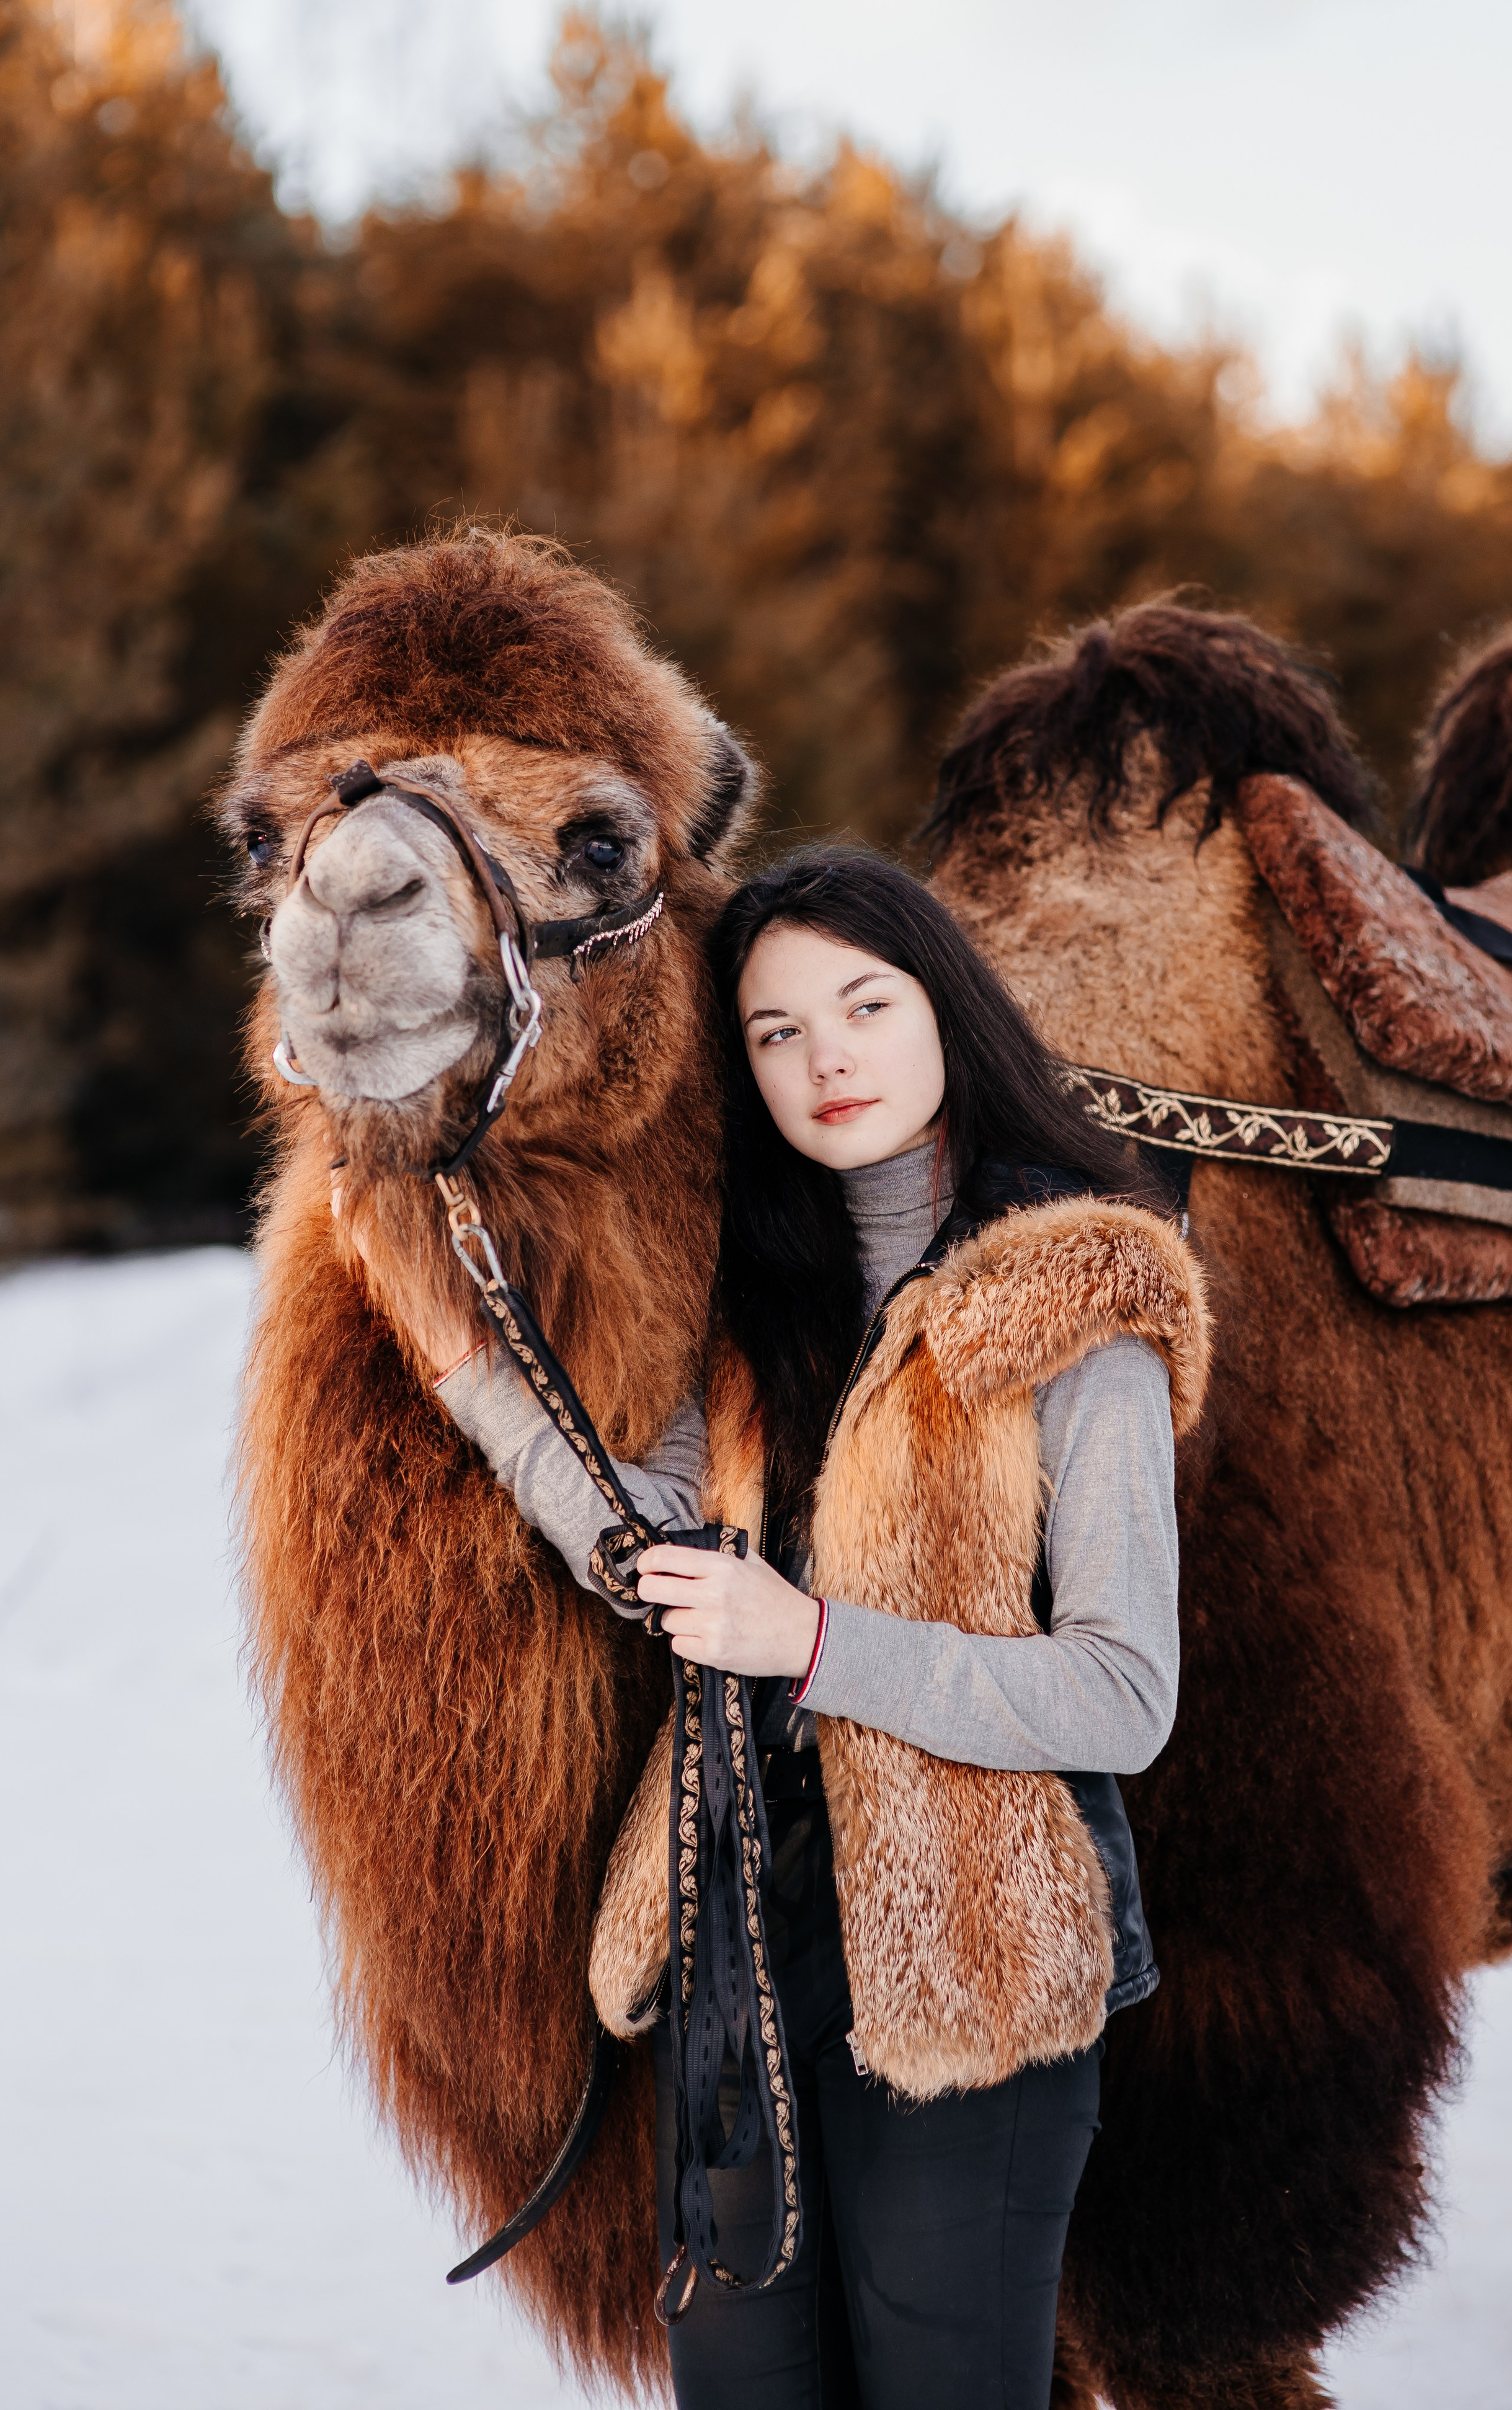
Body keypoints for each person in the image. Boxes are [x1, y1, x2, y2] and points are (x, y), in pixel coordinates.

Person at [346, 847, 1209, 2410]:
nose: (827, 1058)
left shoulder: (1082, 1300)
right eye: (774, 1030)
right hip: (735, 1935)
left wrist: (809, 1641)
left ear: (944, 1005)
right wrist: (464, 1355)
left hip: (971, 1964)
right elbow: (651, 1542)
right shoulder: (756, 1294)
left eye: (864, 1004)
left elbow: (1120, 1690)